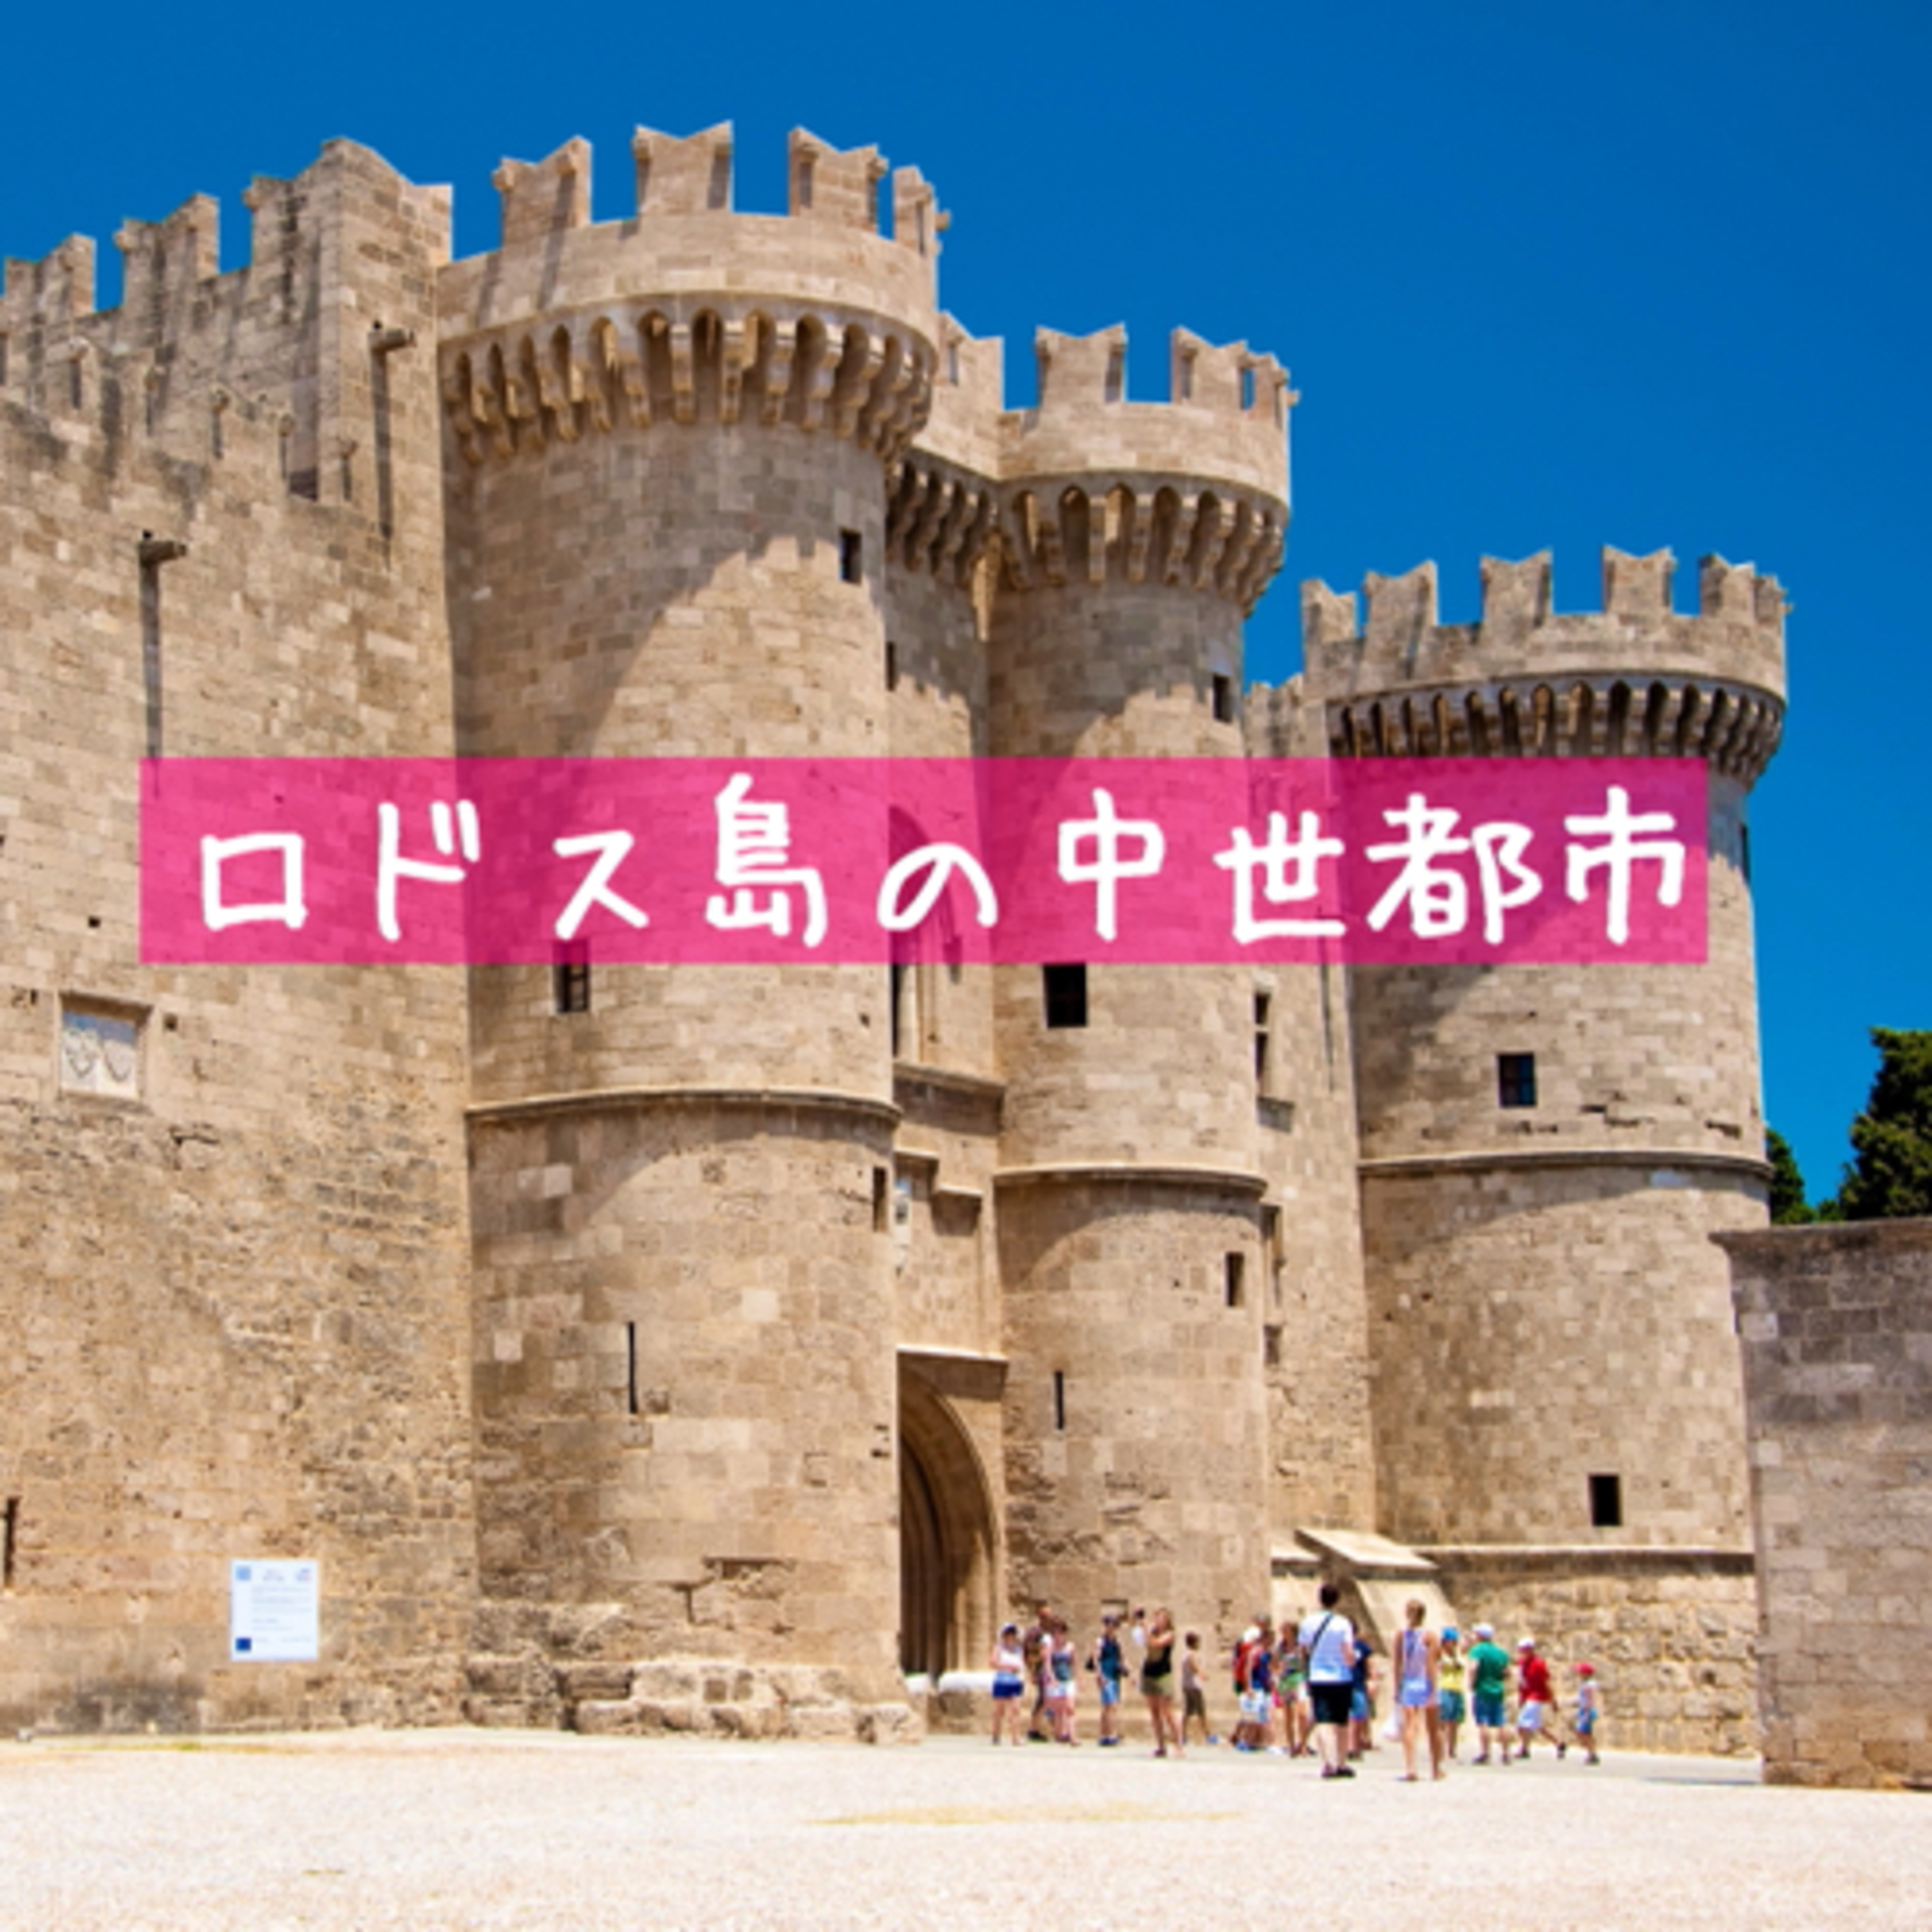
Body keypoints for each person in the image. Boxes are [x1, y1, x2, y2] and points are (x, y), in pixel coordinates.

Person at [1297, 1582, 1356, 1779]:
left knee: (1323, 1720)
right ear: (1337, 1601)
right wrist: (1352, 1661)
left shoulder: (1308, 1622)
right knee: (1341, 1721)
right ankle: (1341, 1762)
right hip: (1341, 1676)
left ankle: (1327, 1763)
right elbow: (1347, 1651)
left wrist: (1306, 1669)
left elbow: (1302, 1650)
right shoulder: (1343, 1623)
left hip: (1318, 1676)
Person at [1393, 1598, 1441, 1781]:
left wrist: (1397, 1688)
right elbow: (1431, 1665)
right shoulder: (1430, 1637)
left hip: (1408, 1683)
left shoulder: (1401, 1636)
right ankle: (1435, 1769)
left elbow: (1397, 1665)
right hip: (1424, 1682)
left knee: (1410, 1727)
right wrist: (1434, 1688)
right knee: (1433, 1728)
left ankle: (1410, 1768)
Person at [1466, 1622, 1512, 1764]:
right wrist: (1498, 1678)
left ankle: (1485, 1753)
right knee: (1501, 1722)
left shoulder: (1477, 1650)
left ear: (1480, 1636)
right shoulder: (1500, 1653)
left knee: (1483, 1722)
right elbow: (1507, 1672)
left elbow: (1473, 1667)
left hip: (1482, 1689)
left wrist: (1471, 1682)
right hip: (1497, 1690)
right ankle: (1506, 1753)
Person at [1141, 1607, 1183, 1757]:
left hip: (1163, 1673)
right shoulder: (1152, 1632)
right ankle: (1160, 1745)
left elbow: (1156, 1644)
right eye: (1157, 1618)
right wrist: (1144, 1629)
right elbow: (1144, 1643)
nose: (1158, 1621)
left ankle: (1178, 1745)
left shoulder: (1170, 1635)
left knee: (1168, 1711)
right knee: (1154, 1712)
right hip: (1149, 1672)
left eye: (1161, 1618)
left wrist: (1146, 1630)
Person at [1088, 1612, 1126, 1746]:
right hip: (1105, 1675)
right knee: (1111, 1706)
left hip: (1115, 1675)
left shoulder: (1117, 1642)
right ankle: (1111, 1734)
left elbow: (1121, 1657)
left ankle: (1104, 1734)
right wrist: (1099, 1675)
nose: (1111, 1627)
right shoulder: (1100, 1641)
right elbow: (1096, 1659)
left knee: (1107, 1707)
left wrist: (1125, 1669)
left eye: (1114, 1625)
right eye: (1109, 1624)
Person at [1515, 1635, 1552, 1759]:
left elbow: (1546, 1682)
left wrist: (1552, 1699)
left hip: (1536, 1696)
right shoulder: (1522, 1663)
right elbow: (1522, 1681)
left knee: (1522, 1724)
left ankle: (1524, 1749)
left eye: (1525, 1650)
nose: (1523, 1652)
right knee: (1536, 1726)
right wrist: (1521, 1697)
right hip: (1528, 1696)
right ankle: (1558, 1744)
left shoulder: (1538, 1664)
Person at [989, 1622, 1026, 1745]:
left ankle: (1016, 1737)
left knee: (1016, 1709)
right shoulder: (999, 1648)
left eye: (1013, 1634)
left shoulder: (1018, 1650)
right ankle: (996, 1735)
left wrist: (1021, 1673)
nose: (1010, 1636)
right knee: (1000, 1710)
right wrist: (1007, 1667)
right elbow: (993, 1662)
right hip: (1002, 1680)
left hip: (1015, 1681)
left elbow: (1021, 1664)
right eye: (1008, 1634)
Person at [1435, 1627, 1468, 1763]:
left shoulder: (1459, 1655)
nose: (1454, 1644)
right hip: (1444, 1688)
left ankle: (1452, 1750)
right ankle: (1440, 1751)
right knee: (1442, 1722)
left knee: (1455, 1722)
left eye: (1455, 1641)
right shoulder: (1440, 1655)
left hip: (1457, 1689)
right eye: (1451, 1641)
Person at [1046, 1619, 1080, 1744]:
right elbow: (1048, 1664)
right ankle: (1059, 1734)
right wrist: (1052, 1678)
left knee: (1070, 1708)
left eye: (1060, 1633)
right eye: (1055, 1633)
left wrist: (1078, 1678)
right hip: (1056, 1681)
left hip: (1068, 1680)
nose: (1058, 1636)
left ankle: (1072, 1736)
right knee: (1058, 1711)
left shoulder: (1070, 1647)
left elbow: (1074, 1663)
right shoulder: (1050, 1648)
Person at [1559, 1660, 1600, 1764]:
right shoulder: (1584, 1684)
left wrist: (1588, 1711)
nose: (1578, 1674)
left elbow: (1591, 1699)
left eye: (1580, 1672)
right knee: (1582, 1732)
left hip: (1587, 1711)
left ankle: (1592, 1753)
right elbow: (1581, 1698)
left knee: (1583, 1733)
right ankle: (1591, 1753)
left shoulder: (1589, 1685)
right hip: (1583, 1710)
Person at [1179, 1629, 1213, 1748]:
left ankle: (1183, 1735)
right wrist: (1203, 1674)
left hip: (1186, 1685)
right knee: (1201, 1711)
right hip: (1194, 1686)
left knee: (1187, 1711)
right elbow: (1194, 1666)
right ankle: (1207, 1735)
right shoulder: (1191, 1655)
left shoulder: (1184, 1655)